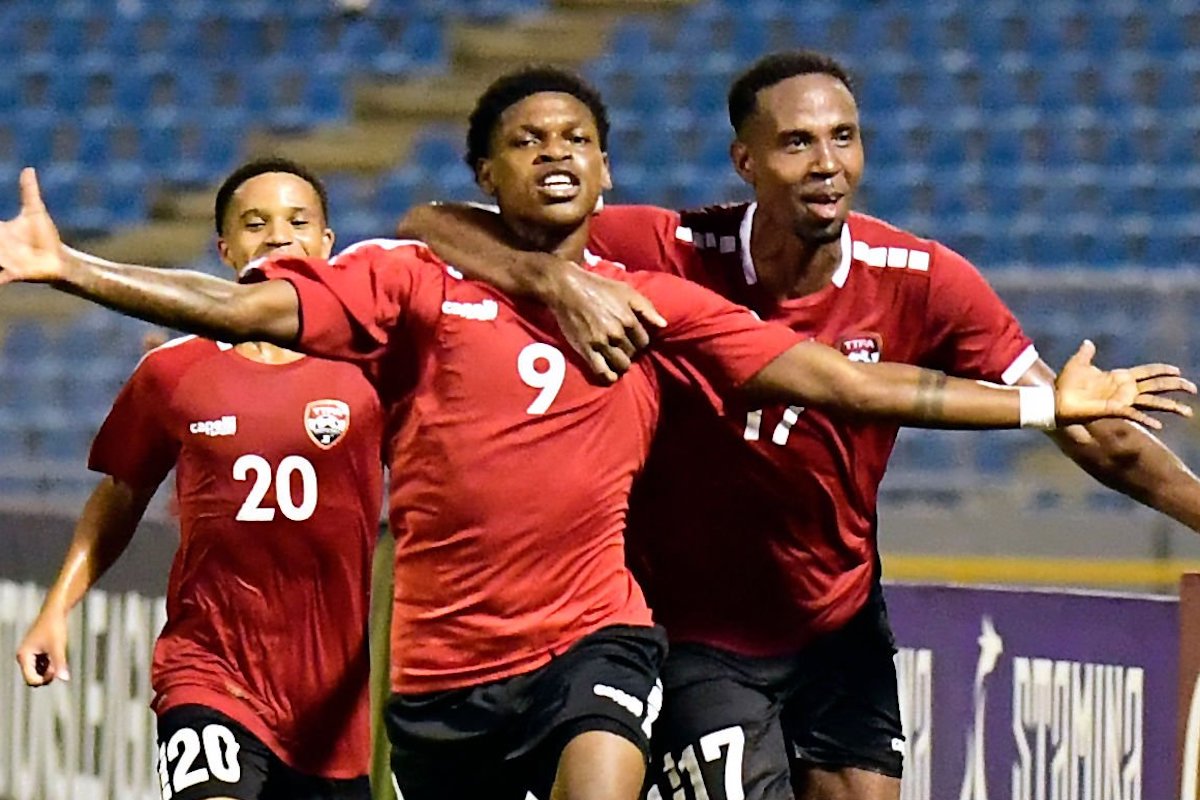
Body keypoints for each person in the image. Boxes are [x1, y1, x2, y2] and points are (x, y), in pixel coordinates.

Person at [0, 67, 1188, 800]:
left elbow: (844, 382)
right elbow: (265, 297)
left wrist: (1043, 402)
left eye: (576, 138)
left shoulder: (671, 299)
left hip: (623, 635)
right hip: (457, 667)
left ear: (608, 168)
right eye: (527, 140)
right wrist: (74, 270)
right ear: (486, 173)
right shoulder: (432, 276)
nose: (556, 152)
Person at [394, 52, 1200, 800]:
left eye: (843, 139)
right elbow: (433, 224)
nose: (826, 165)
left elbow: (1084, 421)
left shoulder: (925, 280)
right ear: (746, 162)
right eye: (797, 143)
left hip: (837, 620)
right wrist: (553, 280)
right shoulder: (660, 247)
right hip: (694, 630)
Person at [14, 158, 382, 800]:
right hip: (208, 671)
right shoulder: (172, 373)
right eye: (255, 222)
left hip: (331, 706)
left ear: (328, 244)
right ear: (225, 247)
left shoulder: (375, 371)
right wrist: (56, 607)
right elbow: (121, 494)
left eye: (298, 221)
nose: (277, 235)